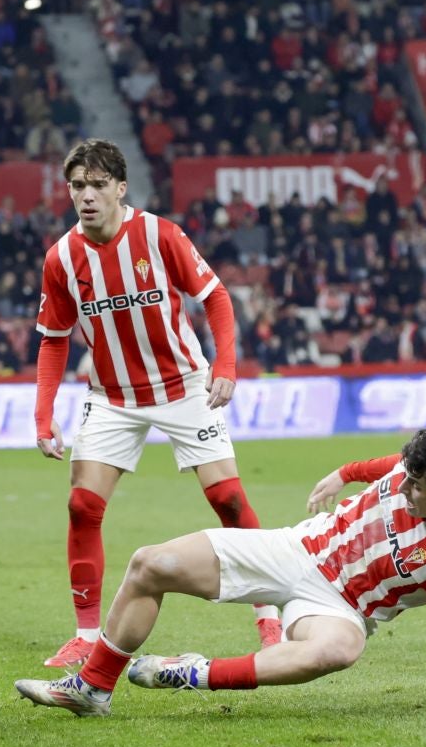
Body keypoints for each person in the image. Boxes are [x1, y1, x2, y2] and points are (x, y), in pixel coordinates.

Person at [14, 423, 426, 716]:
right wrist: (340, 475)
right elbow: (383, 466)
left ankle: (193, 672)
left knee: (342, 649)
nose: (407, 487)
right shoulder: (417, 468)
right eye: (407, 476)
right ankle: (92, 688)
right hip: (296, 548)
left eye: (418, 486)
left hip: (340, 607)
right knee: (151, 563)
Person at [33, 138, 280, 669]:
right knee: (82, 506)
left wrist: (226, 365)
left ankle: (270, 615)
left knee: (230, 501)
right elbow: (53, 338)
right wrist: (42, 414)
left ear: (121, 188)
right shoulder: (61, 258)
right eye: (78, 186)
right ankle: (84, 633)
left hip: (184, 387)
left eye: (98, 184)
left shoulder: (160, 235)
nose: (87, 195)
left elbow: (215, 295)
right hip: (111, 397)